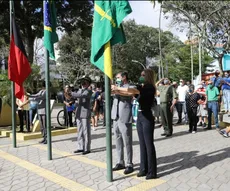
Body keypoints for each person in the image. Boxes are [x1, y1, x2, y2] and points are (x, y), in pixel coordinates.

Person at [111, 71, 139, 174]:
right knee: (117, 140)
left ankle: (129, 163)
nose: (116, 79)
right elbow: (109, 93)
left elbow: (130, 93)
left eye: (118, 77)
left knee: (127, 141)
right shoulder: (115, 86)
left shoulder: (130, 85)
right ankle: (120, 162)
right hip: (115, 116)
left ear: (124, 77)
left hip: (124, 116)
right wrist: (114, 89)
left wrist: (117, 90)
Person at [136, 69, 157, 180]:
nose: (141, 76)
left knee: (149, 145)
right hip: (140, 116)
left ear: (148, 76)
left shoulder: (150, 87)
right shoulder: (143, 87)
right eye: (141, 75)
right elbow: (136, 95)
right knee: (142, 144)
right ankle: (143, 169)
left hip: (147, 116)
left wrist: (138, 89)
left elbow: (140, 96)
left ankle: (152, 171)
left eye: (143, 75)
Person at [72, 76, 92, 155]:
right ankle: (80, 147)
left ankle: (87, 148)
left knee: (86, 131)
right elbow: (76, 97)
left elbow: (82, 96)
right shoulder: (80, 90)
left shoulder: (88, 91)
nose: (83, 84)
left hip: (85, 112)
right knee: (79, 130)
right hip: (79, 112)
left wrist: (73, 93)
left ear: (88, 83)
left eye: (85, 82)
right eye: (82, 82)